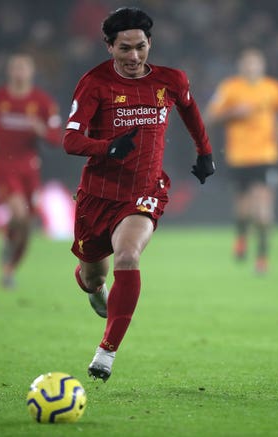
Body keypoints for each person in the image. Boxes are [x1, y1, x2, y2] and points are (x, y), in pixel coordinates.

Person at [63, 7, 215, 382]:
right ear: (109, 47)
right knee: (93, 275)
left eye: (141, 47)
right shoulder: (94, 83)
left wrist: (205, 153)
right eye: (125, 48)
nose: (134, 57)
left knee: (128, 257)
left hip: (144, 190)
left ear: (151, 44)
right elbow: (70, 139)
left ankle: (105, 353)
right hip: (98, 195)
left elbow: (191, 113)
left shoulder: (171, 80)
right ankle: (91, 287)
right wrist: (106, 148)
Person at [0, 53, 62, 289]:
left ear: (31, 73)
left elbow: (56, 137)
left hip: (29, 166)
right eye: (15, 68)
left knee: (26, 225)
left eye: (24, 68)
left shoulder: (43, 102)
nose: (19, 72)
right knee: (19, 213)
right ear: (9, 72)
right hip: (2, 163)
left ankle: (9, 269)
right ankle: (8, 245)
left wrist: (41, 130)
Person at [206, 48, 278, 274]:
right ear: (241, 66)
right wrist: (233, 112)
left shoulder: (273, 88)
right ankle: (241, 237)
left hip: (266, 156)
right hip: (238, 157)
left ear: (262, 66)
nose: (252, 68)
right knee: (243, 211)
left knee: (263, 212)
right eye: (248, 64)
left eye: (256, 64)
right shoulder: (230, 88)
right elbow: (209, 117)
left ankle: (262, 258)